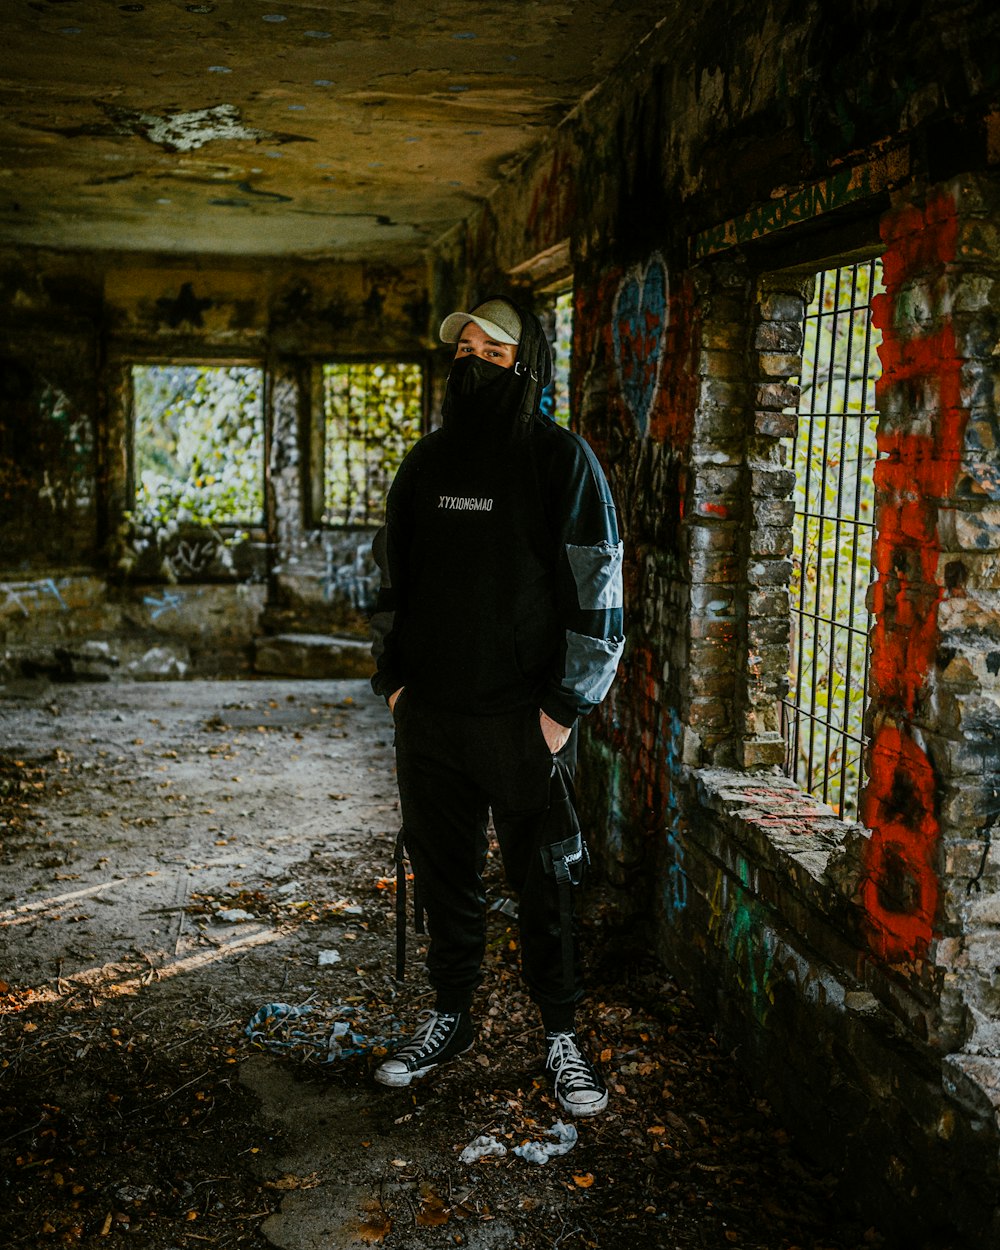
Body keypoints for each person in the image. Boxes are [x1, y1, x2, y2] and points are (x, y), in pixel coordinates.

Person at [369, 296, 625, 1116]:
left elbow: (601, 595)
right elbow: (387, 576)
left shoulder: (561, 462)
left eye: (493, 348)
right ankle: (452, 1016)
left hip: (524, 724)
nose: (472, 361)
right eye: (462, 348)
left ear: (526, 362)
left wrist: (562, 711)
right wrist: (396, 682)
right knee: (446, 879)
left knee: (543, 882)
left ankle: (559, 1034)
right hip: (432, 722)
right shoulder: (427, 464)